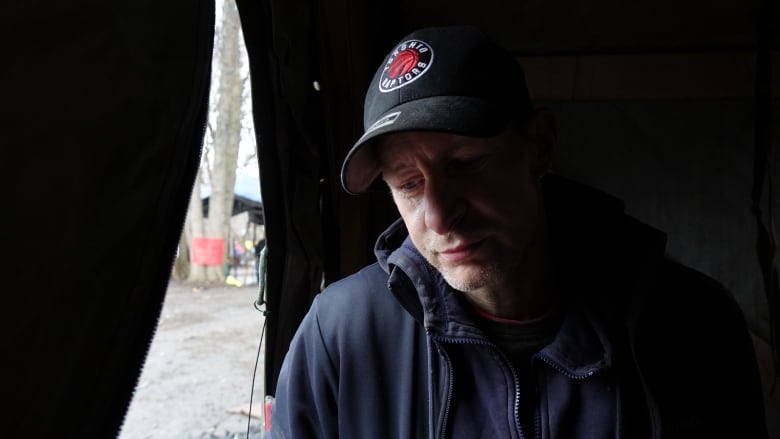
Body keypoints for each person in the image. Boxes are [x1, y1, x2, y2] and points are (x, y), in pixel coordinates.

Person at [268, 25, 768, 438]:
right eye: (409, 184)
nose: (440, 217)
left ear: (539, 147)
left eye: (465, 164)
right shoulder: (339, 335)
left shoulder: (691, 325)